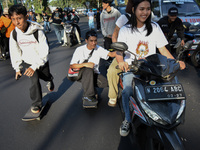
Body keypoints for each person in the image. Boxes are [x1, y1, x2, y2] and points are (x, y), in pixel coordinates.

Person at [113, 0, 186, 136]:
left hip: (153, 67)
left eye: (148, 9)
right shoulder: (125, 30)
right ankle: (127, 120)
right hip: (133, 68)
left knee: (169, 87)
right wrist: (121, 61)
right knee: (127, 91)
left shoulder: (155, 27)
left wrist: (175, 62)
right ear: (134, 9)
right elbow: (119, 52)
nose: (145, 12)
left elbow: (162, 49)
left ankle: (167, 116)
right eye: (141, 9)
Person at [8, 4, 54, 113]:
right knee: (34, 81)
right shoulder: (14, 34)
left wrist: (35, 66)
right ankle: (36, 103)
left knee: (46, 76)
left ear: (26, 17)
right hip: (28, 62)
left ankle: (49, 80)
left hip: (41, 61)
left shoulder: (38, 31)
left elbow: (44, 51)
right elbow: (15, 52)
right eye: (13, 19)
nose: (17, 22)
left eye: (19, 18)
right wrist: (18, 68)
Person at [69, 30, 116, 108]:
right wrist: (85, 64)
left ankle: (91, 88)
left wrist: (120, 51)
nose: (94, 43)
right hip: (81, 74)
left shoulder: (98, 49)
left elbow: (110, 54)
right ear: (86, 41)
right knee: (88, 69)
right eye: (91, 41)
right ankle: (88, 96)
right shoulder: (79, 50)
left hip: (94, 74)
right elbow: (72, 66)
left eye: (95, 41)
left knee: (105, 83)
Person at [107, 0, 133, 107]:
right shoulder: (124, 18)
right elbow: (114, 34)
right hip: (124, 52)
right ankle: (113, 96)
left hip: (141, 54)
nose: (144, 12)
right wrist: (117, 48)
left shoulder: (150, 19)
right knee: (112, 70)